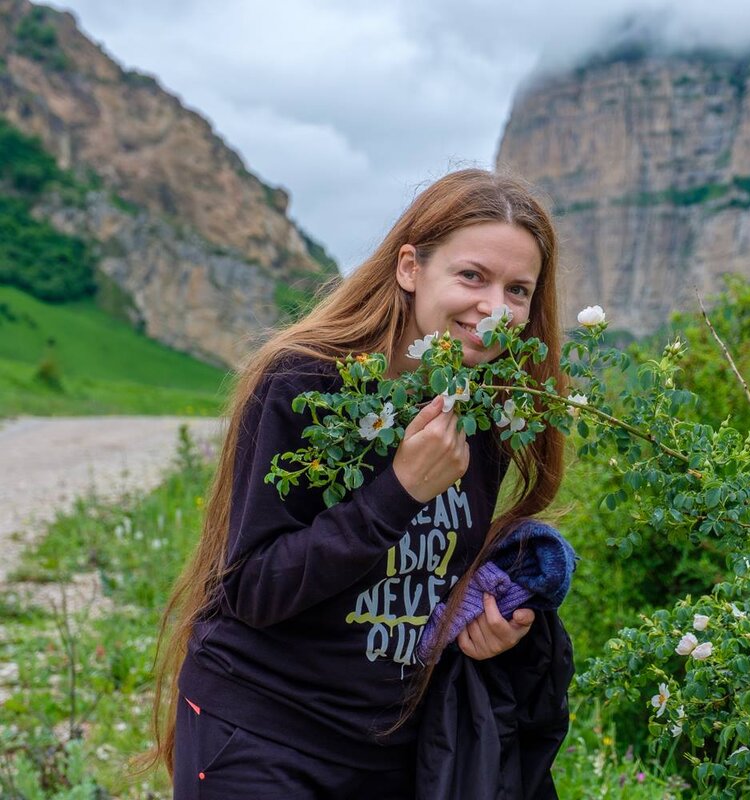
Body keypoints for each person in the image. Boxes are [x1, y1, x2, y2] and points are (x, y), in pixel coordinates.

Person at [144, 169, 570, 798]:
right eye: (472, 276)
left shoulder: (482, 411)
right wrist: (398, 490)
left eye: (518, 290)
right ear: (409, 268)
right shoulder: (304, 383)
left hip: (390, 749)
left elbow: (424, 582)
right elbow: (253, 589)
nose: (495, 311)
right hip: (265, 733)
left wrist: (480, 628)